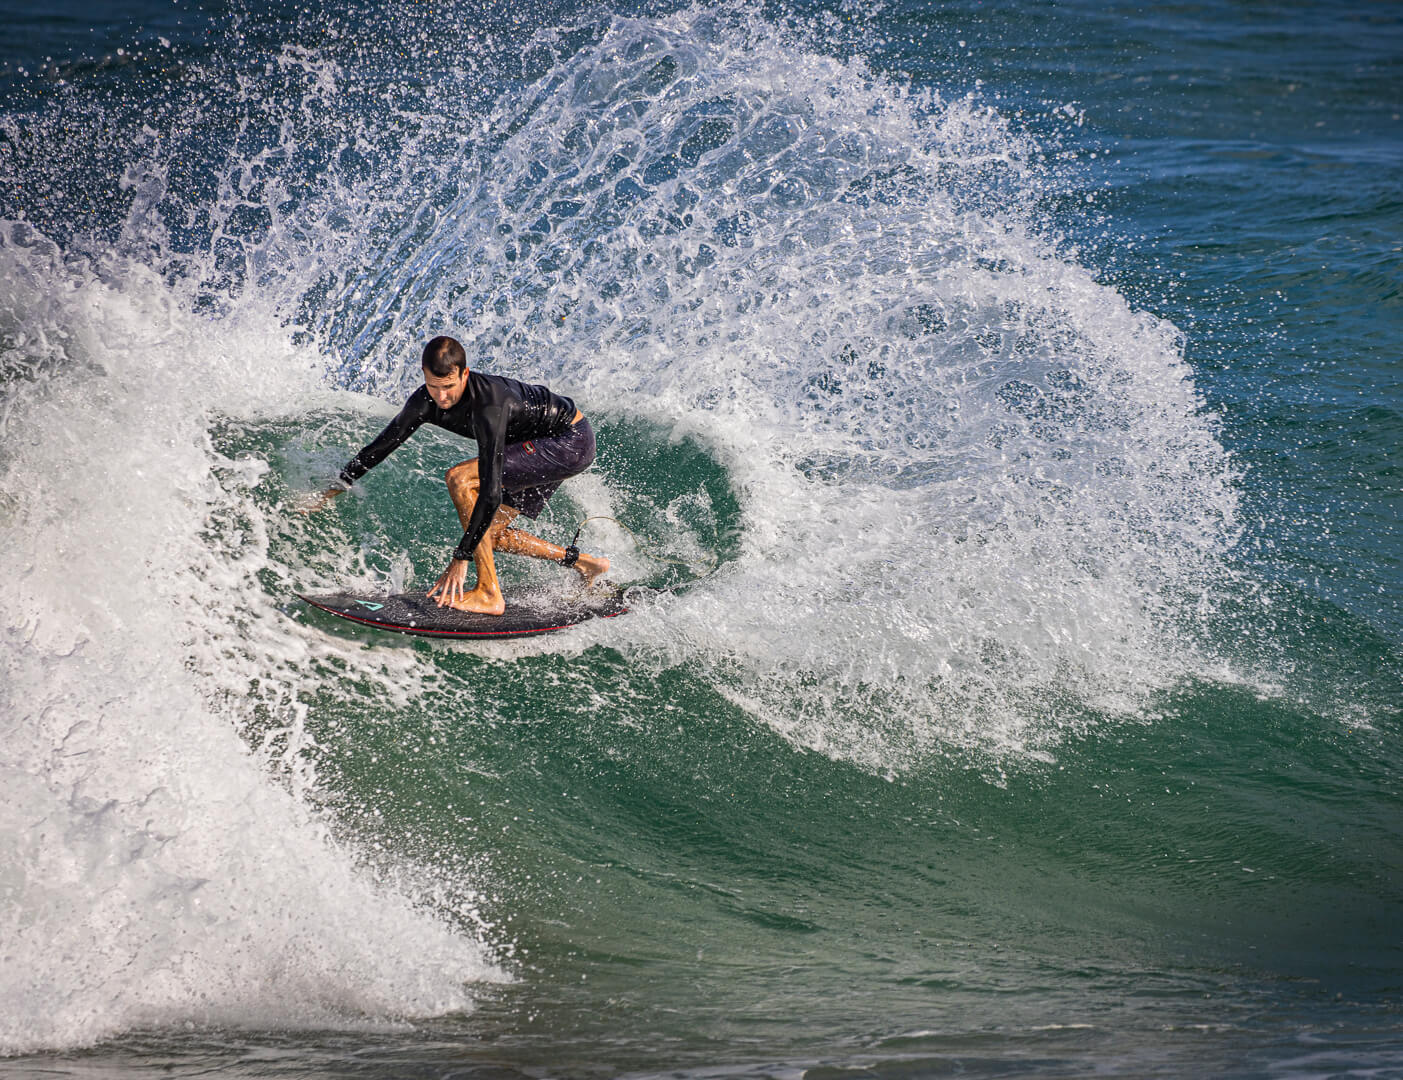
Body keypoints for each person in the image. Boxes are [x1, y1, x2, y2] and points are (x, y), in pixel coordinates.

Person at [306, 335, 609, 615]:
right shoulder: (425, 400)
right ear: (424, 375)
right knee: (491, 536)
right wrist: (333, 490)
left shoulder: (489, 405)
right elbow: (381, 446)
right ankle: (585, 564)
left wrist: (460, 558)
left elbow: (489, 492)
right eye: (433, 386)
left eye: (449, 386)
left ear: (464, 374)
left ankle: (490, 593)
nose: (441, 396)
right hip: (532, 444)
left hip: (569, 440)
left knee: (460, 478)